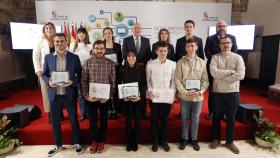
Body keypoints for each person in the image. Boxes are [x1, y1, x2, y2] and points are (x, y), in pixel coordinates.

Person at [42, 33, 82, 157]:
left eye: (62, 41)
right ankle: (58, 144)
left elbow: (80, 75)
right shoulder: (48, 57)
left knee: (74, 120)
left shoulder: (74, 57)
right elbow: (44, 74)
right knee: (55, 122)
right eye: (57, 41)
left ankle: (77, 143)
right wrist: (48, 81)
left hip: (69, 94)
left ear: (66, 42)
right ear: (54, 43)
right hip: (54, 95)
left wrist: (72, 81)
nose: (59, 44)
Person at [209, 36, 245, 154]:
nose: (225, 45)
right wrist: (230, 72)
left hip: (233, 93)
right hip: (218, 92)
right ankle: (216, 139)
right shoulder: (215, 57)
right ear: (219, 45)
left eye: (228, 43)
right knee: (216, 117)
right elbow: (214, 73)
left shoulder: (238, 58)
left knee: (231, 118)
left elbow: (241, 75)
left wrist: (222, 77)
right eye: (223, 43)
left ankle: (230, 141)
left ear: (231, 44)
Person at [81, 40, 116, 154]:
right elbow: (84, 81)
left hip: (104, 99)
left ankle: (102, 140)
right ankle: (94, 140)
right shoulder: (87, 63)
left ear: (105, 50)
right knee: (93, 121)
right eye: (97, 48)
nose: (99, 50)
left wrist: (109, 96)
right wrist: (86, 96)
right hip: (91, 98)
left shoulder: (110, 63)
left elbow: (113, 82)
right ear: (93, 49)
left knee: (104, 120)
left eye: (101, 48)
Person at [174, 39, 209, 151]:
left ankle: (194, 139)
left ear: (196, 47)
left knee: (195, 118)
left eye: (192, 46)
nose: (190, 48)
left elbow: (205, 81)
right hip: (185, 96)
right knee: (184, 117)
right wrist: (184, 91)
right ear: (185, 48)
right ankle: (184, 138)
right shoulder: (180, 62)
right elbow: (177, 80)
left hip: (198, 96)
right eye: (188, 46)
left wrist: (200, 91)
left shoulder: (202, 62)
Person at [204, 20, 238, 120]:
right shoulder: (210, 39)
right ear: (216, 27)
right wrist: (217, 63)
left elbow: (235, 51)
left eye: (223, 26)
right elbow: (207, 52)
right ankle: (211, 112)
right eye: (219, 26)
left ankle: (224, 113)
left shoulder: (232, 38)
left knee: (226, 91)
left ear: (226, 27)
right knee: (213, 91)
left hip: (228, 69)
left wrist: (226, 65)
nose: (222, 28)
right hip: (213, 69)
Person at [146, 41, 176, 152]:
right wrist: (150, 91)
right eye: (160, 51)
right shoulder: (150, 64)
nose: (163, 53)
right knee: (153, 120)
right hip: (154, 97)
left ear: (167, 51)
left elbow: (173, 81)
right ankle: (155, 141)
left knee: (165, 120)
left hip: (167, 98)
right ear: (156, 51)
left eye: (165, 51)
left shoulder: (173, 64)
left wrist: (172, 94)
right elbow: (148, 80)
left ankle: (164, 141)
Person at [118, 49, 146, 152]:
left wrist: (140, 96)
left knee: (138, 121)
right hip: (126, 100)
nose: (131, 58)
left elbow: (144, 85)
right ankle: (129, 141)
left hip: (137, 100)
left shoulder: (141, 69)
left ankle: (136, 141)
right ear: (126, 57)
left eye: (133, 56)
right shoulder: (121, 69)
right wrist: (122, 96)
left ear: (136, 57)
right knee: (128, 121)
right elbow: (119, 84)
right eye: (129, 56)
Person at [122, 23, 151, 119]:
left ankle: (142, 111)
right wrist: (133, 62)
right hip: (130, 68)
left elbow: (149, 54)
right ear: (132, 29)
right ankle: (130, 111)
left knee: (141, 89)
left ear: (141, 29)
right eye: (135, 28)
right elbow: (124, 54)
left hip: (142, 69)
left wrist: (141, 64)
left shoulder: (146, 40)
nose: (137, 29)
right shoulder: (126, 40)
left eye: (139, 28)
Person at [32, 22, 56, 123]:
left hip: (58, 70)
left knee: (59, 92)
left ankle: (59, 112)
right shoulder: (40, 41)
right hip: (45, 71)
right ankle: (51, 114)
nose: (49, 30)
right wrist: (38, 70)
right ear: (44, 30)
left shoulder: (57, 39)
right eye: (47, 28)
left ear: (54, 29)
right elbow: (35, 56)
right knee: (46, 92)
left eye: (50, 28)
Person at [70, 27, 92, 121]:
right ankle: (83, 113)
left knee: (88, 93)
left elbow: (92, 59)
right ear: (77, 35)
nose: (81, 35)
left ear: (86, 34)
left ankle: (90, 112)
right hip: (77, 73)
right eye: (79, 33)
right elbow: (70, 60)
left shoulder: (90, 46)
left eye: (83, 33)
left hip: (88, 73)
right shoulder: (72, 46)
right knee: (80, 95)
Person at [103, 27, 122, 119]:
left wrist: (117, 63)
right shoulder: (101, 45)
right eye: (106, 33)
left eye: (109, 33)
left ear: (112, 34)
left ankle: (115, 110)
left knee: (114, 91)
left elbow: (121, 59)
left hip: (115, 71)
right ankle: (108, 110)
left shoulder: (117, 46)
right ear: (104, 35)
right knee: (106, 91)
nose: (108, 35)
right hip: (105, 73)